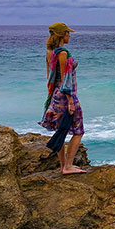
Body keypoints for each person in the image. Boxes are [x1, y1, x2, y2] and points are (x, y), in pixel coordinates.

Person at [39, 22, 87, 175]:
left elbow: (50, 77)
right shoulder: (63, 53)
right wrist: (71, 101)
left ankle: (62, 166)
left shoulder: (49, 52)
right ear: (62, 35)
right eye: (68, 33)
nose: (69, 36)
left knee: (61, 130)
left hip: (55, 95)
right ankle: (68, 166)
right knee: (78, 131)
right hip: (66, 95)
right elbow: (65, 78)